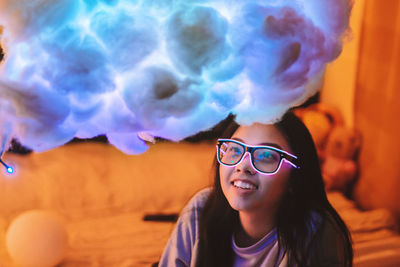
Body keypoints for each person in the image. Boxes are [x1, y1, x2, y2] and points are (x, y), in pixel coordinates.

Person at [158, 111, 353, 267]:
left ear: (295, 177)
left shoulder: (316, 230)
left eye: (266, 155)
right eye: (235, 149)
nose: (243, 166)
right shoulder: (200, 211)